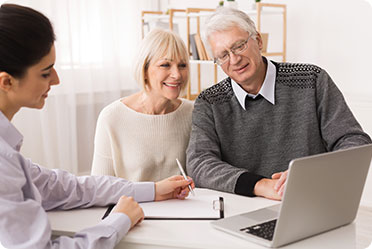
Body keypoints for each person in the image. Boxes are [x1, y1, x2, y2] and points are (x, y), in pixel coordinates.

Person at [0, 4, 194, 249]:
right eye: (46, 72)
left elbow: (63, 187)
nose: (57, 80)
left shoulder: (8, 153)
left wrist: (153, 190)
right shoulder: (3, 162)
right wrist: (119, 220)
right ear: (6, 81)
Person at [186, 7, 371, 201]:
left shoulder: (312, 80)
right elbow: (200, 163)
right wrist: (260, 185)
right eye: (223, 55)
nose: (234, 59)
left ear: (258, 41)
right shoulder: (209, 102)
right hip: (243, 211)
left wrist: (308, 175)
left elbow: (355, 142)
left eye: (239, 46)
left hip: (312, 201)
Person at [91, 28, 193, 182]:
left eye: (182, 65)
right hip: (134, 205)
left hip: (186, 205)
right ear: (144, 69)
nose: (177, 74)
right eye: (165, 65)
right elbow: (99, 187)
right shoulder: (112, 117)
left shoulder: (192, 112)